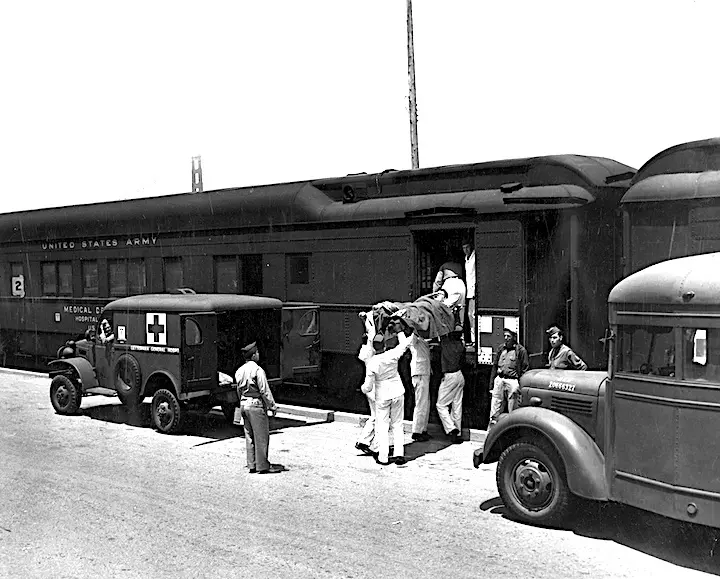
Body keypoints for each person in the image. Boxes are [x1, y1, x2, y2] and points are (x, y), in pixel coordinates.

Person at [361, 325, 412, 466]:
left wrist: (363, 389)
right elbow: (405, 345)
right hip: (398, 392)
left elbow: (368, 386)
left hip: (382, 396)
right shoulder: (392, 354)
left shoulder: (372, 363)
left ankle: (383, 457)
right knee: (398, 424)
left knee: (382, 426)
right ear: (384, 345)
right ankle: (399, 454)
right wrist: (404, 332)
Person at [235, 341, 284, 474]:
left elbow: (239, 391)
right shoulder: (257, 370)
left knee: (249, 436)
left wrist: (242, 403)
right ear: (254, 355)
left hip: (244, 405)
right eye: (257, 353)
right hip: (256, 405)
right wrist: (272, 406)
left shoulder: (239, 371)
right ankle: (262, 466)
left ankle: (252, 464)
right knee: (261, 436)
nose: (258, 355)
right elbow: (264, 391)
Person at [489, 328, 529, 426]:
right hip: (499, 380)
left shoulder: (520, 351)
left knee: (513, 410)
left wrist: (520, 384)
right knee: (495, 408)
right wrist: (491, 384)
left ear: (514, 337)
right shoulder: (501, 348)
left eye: (509, 336)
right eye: (505, 336)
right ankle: (491, 431)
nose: (506, 338)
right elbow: (495, 366)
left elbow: (525, 368)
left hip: (512, 381)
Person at [355, 311, 379, 457]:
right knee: (379, 417)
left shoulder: (365, 352)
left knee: (375, 415)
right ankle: (375, 446)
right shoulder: (373, 353)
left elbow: (370, 332)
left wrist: (366, 319)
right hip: (375, 387)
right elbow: (372, 334)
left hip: (369, 386)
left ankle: (364, 441)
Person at [436, 331, 465, 444]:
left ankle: (451, 428)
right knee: (457, 406)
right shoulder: (460, 345)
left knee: (441, 405)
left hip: (449, 376)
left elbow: (441, 331)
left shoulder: (446, 343)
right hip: (459, 375)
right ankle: (457, 435)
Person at [409, 328, 432, 442]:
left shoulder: (421, 340)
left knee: (425, 403)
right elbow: (412, 340)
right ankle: (417, 431)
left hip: (424, 373)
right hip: (420, 373)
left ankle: (422, 429)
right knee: (421, 403)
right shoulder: (415, 340)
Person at [462, 239, 476, 345]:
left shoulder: (474, 257)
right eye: (464, 248)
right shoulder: (466, 259)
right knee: (469, 315)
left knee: (473, 315)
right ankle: (471, 339)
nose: (465, 250)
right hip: (469, 291)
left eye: (467, 247)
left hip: (474, 291)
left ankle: (475, 339)